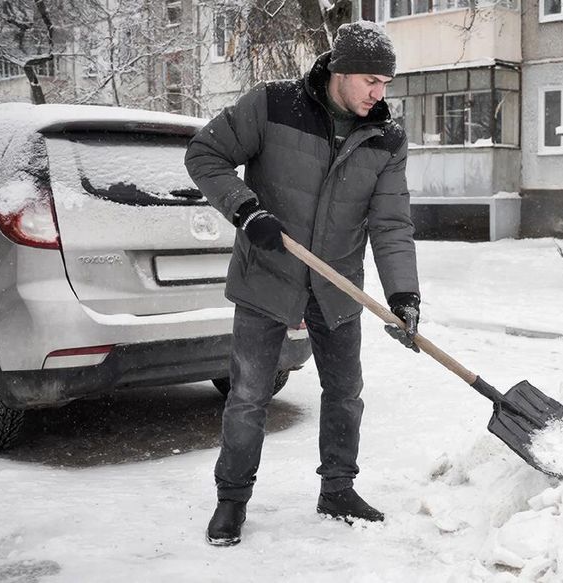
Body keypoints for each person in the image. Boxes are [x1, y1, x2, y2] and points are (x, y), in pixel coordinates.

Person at [185, 21, 421, 547]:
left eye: (386, 83)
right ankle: (232, 500)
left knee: (345, 393)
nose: (379, 94)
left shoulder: (386, 137)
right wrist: (246, 211)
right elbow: (204, 154)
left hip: (337, 282)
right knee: (248, 395)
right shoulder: (272, 105)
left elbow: (390, 224)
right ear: (339, 70)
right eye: (370, 81)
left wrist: (404, 294)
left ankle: (337, 488)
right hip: (269, 274)